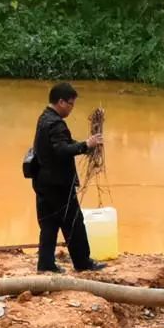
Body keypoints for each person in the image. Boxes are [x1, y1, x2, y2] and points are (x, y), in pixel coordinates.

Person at [32, 82, 105, 273]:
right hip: (59, 185)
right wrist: (86, 145)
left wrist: (84, 146)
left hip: (43, 182)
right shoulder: (56, 123)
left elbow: (62, 143)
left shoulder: (44, 118)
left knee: (49, 225)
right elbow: (62, 150)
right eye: (71, 104)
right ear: (61, 102)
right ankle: (82, 262)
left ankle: (46, 264)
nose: (72, 108)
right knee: (74, 223)